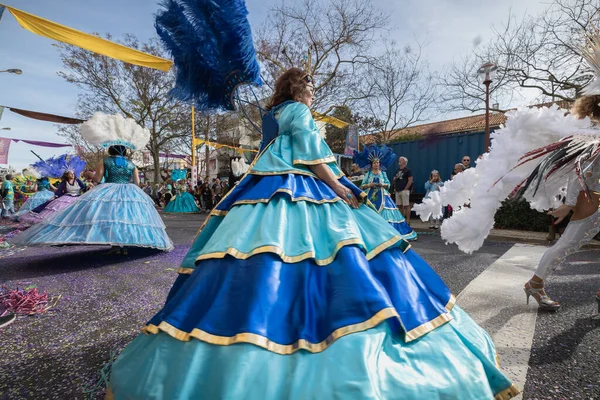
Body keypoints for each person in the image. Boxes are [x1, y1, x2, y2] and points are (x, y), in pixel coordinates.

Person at [108, 68, 518, 399]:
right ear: (299, 89)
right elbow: (311, 151)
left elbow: (277, 151)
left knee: (254, 254)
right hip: (307, 187)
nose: (313, 94)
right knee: (340, 253)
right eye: (310, 88)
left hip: (267, 188)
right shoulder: (300, 114)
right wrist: (339, 186)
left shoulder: (276, 115)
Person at [12, 113, 173, 253]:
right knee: (126, 218)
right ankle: (123, 246)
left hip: (109, 189)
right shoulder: (132, 165)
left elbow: (97, 179)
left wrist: (90, 175)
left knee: (109, 217)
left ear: (111, 149)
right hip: (129, 191)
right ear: (125, 150)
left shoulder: (106, 160)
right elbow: (137, 182)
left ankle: (116, 246)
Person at [355, 144, 416, 241]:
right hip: (370, 195)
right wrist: (369, 185)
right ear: (371, 164)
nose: (376, 164)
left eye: (378, 163)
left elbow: (388, 184)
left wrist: (383, 185)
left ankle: (387, 232)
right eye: (374, 163)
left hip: (382, 195)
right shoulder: (368, 174)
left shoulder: (383, 173)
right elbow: (362, 185)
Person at [19, 170, 86, 225]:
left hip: (78, 197)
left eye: (73, 173)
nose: (72, 175)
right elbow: (59, 190)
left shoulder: (78, 181)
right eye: (70, 173)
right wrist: (55, 196)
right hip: (67, 197)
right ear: (67, 175)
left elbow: (84, 188)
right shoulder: (64, 182)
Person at [393, 156, 413, 223]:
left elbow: (410, 180)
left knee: (406, 205)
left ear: (404, 162)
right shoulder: (397, 170)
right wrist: (394, 181)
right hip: (398, 190)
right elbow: (394, 179)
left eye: (401, 160)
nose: (399, 161)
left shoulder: (407, 170)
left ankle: (408, 220)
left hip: (404, 190)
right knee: (399, 206)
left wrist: (406, 189)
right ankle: (402, 219)